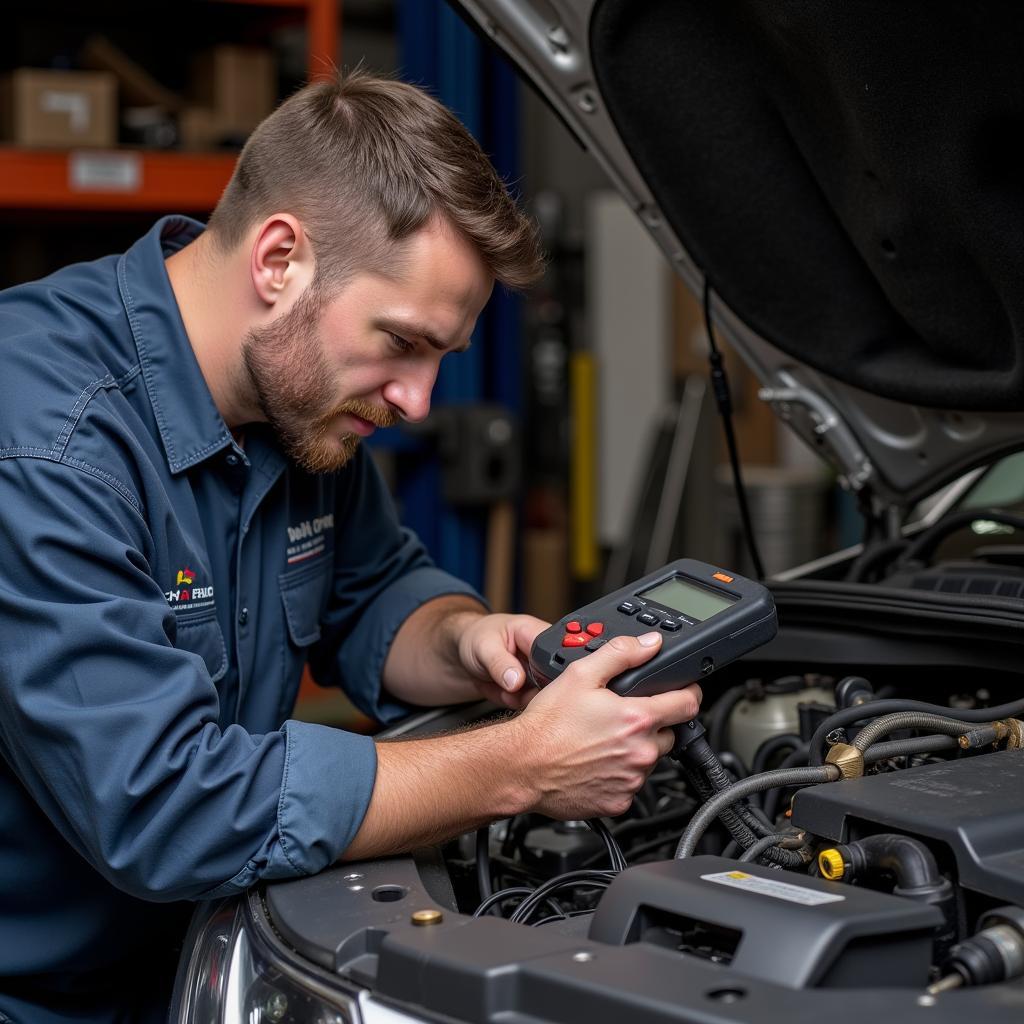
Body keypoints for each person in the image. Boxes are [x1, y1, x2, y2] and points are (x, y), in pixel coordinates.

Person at [0, 70, 702, 1022]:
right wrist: (520, 766)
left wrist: (465, 638)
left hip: (197, 957)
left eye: (438, 362)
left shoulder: (301, 407)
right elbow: (167, 807)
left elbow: (372, 590)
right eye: (402, 343)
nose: (417, 402)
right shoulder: (42, 439)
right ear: (280, 259)